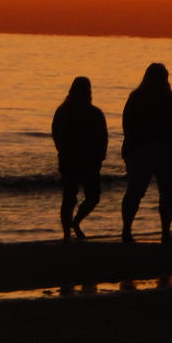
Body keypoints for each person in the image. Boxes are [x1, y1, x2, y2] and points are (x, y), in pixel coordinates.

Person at [121, 63, 172, 244]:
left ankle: (127, 230)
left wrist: (129, 149)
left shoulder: (136, 97)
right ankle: (165, 232)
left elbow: (127, 125)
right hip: (165, 151)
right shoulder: (169, 98)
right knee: (166, 193)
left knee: (135, 192)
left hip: (140, 151)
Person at [51, 76, 108, 242]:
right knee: (82, 197)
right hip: (82, 160)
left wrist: (100, 156)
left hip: (76, 160)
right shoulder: (91, 113)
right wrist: (100, 156)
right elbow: (103, 137)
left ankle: (71, 228)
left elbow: (56, 134)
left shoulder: (64, 111)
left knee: (76, 197)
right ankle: (70, 230)